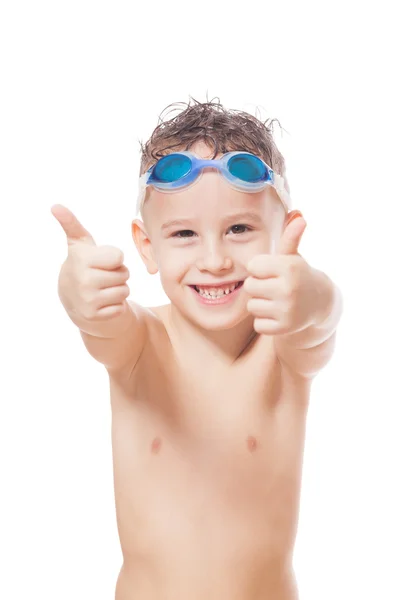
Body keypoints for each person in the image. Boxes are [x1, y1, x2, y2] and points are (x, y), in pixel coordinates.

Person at [51, 97, 343, 600]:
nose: (214, 260)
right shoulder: (142, 344)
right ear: (146, 246)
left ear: (281, 233)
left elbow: (319, 325)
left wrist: (316, 294)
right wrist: (80, 295)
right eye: (184, 233)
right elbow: (102, 328)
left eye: (240, 229)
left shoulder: (283, 352)